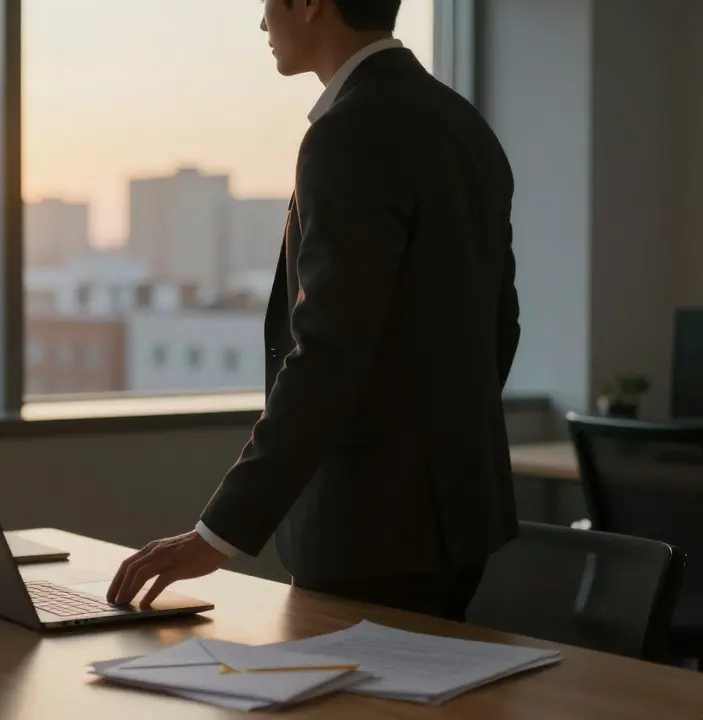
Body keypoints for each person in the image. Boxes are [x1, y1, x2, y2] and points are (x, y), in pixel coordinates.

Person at [107, 0, 520, 622]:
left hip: (369, 531)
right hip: (460, 521)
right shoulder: (465, 126)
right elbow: (499, 324)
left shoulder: (348, 134)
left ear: (309, 5)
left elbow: (327, 350)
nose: (262, 22)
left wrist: (216, 534)